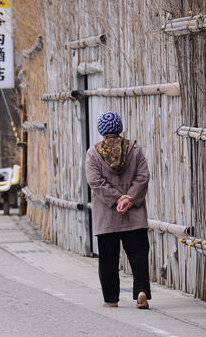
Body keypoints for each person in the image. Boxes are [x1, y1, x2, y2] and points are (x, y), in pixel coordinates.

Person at [85, 111, 151, 309]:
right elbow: (143, 176)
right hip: (134, 213)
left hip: (107, 216)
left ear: (101, 131)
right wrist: (129, 198)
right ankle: (141, 292)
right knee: (138, 254)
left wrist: (116, 199)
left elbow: (95, 182)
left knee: (108, 259)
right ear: (120, 127)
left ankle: (111, 299)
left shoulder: (93, 153)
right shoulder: (134, 150)